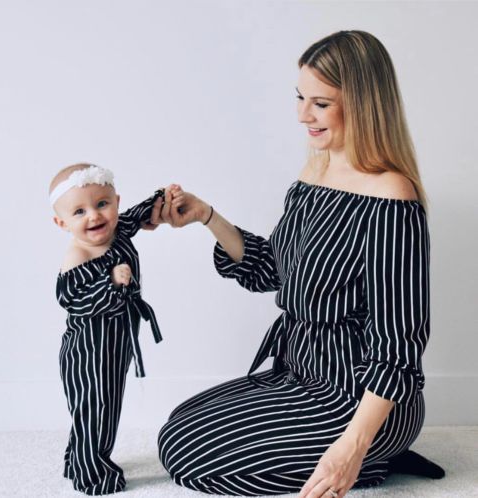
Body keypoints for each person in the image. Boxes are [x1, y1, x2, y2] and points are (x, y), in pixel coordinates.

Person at [152, 30, 444, 497]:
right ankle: (358, 455)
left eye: (321, 103)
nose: (302, 114)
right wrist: (206, 216)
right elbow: (272, 268)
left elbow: (399, 345)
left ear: (364, 104)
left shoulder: (393, 198)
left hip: (360, 397)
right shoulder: (316, 171)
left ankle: (371, 458)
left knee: (187, 454)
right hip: (299, 373)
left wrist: (351, 446)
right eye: (300, 97)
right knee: (180, 425)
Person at [50, 163, 165, 495]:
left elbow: (137, 216)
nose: (94, 216)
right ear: (62, 222)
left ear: (115, 202)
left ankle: (80, 458)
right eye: (79, 211)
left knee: (106, 407)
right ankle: (92, 473)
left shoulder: (118, 228)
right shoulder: (79, 254)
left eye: (102, 204)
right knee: (94, 407)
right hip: (88, 348)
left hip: (116, 344)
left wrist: (160, 200)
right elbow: (70, 298)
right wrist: (110, 282)